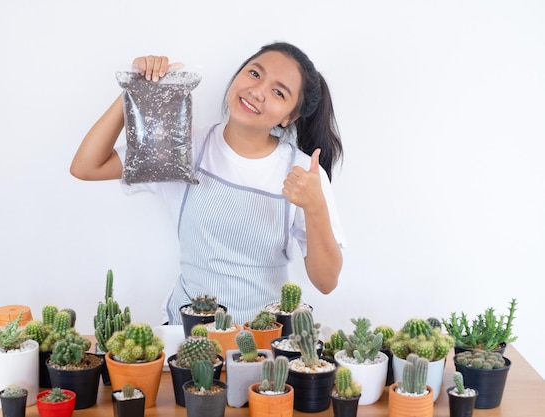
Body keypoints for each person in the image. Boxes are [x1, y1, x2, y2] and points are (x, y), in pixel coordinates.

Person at [71, 42, 346, 325]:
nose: (257, 91)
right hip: (186, 335)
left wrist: (315, 208)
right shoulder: (183, 146)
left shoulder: (304, 173)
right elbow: (87, 166)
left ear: (291, 116)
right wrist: (135, 89)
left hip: (265, 342)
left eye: (278, 92)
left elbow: (326, 282)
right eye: (254, 74)